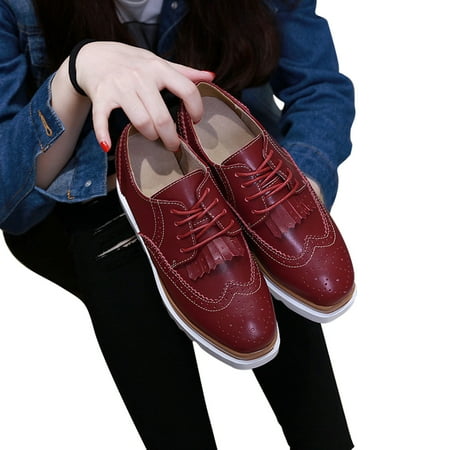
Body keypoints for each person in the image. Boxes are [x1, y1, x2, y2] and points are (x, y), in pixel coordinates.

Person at [0, 0, 355, 448]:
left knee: (262, 248)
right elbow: (8, 195)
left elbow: (319, 87)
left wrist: (304, 181)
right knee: (119, 263)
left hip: (224, 171)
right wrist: (77, 73)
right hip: (81, 195)